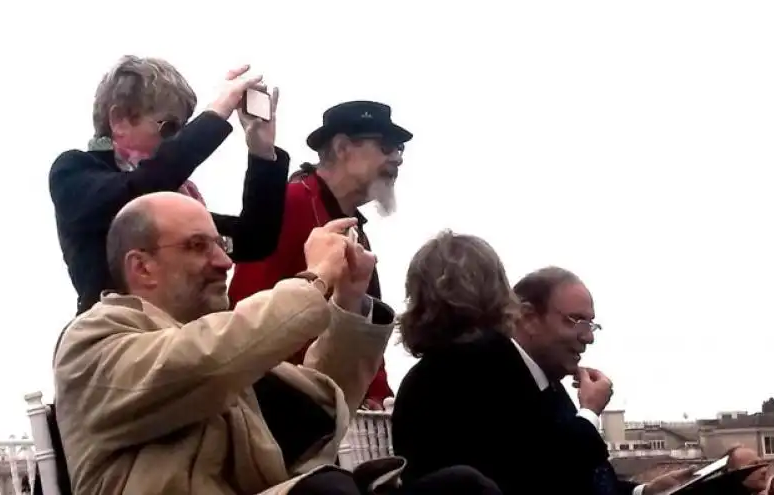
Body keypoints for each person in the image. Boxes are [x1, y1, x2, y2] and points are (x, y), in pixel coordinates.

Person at [53, 193, 501, 495]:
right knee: (324, 492)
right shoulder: (93, 341)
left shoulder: (226, 349)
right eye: (197, 246)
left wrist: (346, 293)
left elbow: (321, 404)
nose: (223, 260)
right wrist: (313, 280)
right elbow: (204, 361)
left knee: (461, 487)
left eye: (220, 243)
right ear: (142, 268)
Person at [390, 243, 695, 495]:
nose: (588, 337)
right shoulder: (472, 374)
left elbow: (579, 482)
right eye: (576, 321)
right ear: (524, 314)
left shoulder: (541, 383)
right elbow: (538, 475)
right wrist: (588, 414)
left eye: (591, 324)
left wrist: (642, 492)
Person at [49, 55, 289, 316]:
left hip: (183, 338)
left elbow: (254, 239)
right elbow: (141, 190)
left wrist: (261, 151)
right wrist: (216, 113)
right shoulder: (75, 171)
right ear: (119, 120)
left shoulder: (173, 194)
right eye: (170, 127)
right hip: (121, 338)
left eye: (184, 128)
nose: (179, 139)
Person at [228, 100, 411, 409]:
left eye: (399, 149)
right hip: (280, 408)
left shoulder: (353, 229)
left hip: (327, 406)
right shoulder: (293, 202)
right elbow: (245, 304)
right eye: (386, 145)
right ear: (341, 147)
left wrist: (377, 392)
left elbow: (362, 322)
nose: (397, 157)